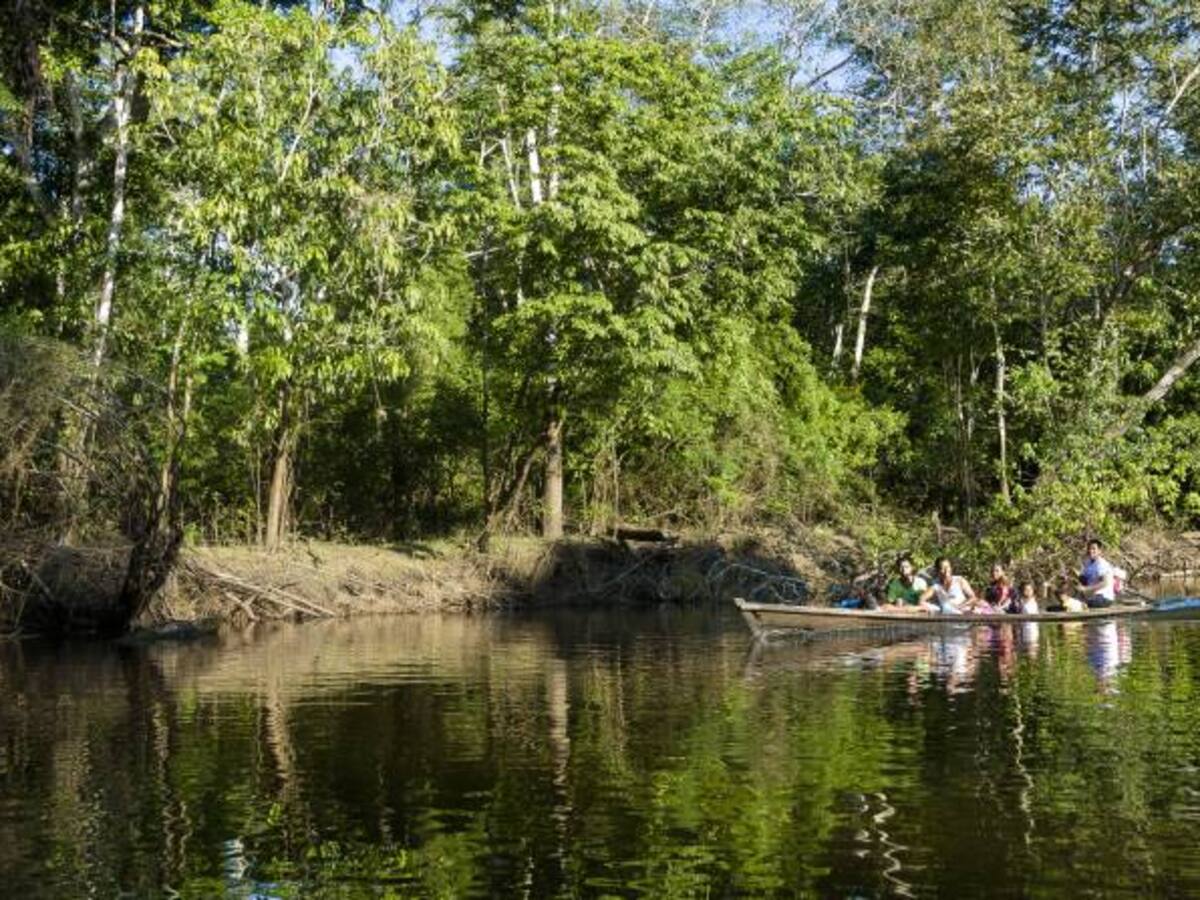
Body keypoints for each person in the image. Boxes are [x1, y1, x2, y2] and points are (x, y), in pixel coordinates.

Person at [1079, 538, 1116, 609]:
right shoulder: (1088, 563)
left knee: (1079, 604)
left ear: (1099, 551)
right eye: (1089, 549)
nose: (1090, 551)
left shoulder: (1101, 564)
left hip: (1104, 598)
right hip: (1092, 596)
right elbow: (1084, 580)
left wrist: (1086, 589)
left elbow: (1105, 583)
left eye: (1093, 549)